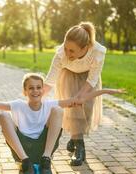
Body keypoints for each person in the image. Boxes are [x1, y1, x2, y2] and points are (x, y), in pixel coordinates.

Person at [0, 73, 123, 174]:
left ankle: (46, 160)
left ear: (42, 90)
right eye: (31, 88)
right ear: (25, 91)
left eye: (39, 87)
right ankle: (26, 163)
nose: (36, 91)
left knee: (58, 110)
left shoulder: (49, 104)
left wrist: (106, 91)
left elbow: (79, 100)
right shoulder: (18, 105)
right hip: (22, 148)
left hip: (44, 146)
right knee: (2, 115)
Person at [43, 21, 107, 166]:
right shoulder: (61, 54)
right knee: (74, 111)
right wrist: (36, 98)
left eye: (72, 51)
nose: (67, 53)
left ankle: (74, 137)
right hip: (68, 77)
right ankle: (80, 149)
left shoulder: (97, 51)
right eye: (66, 48)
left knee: (86, 112)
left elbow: (93, 78)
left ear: (85, 48)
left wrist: (81, 95)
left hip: (88, 81)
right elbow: (50, 79)